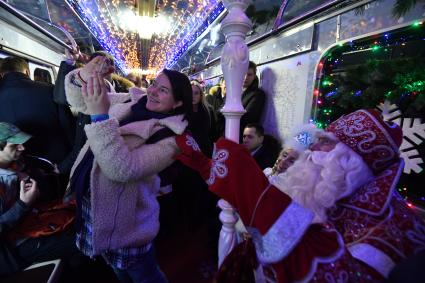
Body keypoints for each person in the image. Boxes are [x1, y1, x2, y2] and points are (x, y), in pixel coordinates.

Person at [174, 109, 425, 282]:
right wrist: (205, 164)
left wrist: (245, 181)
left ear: (352, 164)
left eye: (327, 143)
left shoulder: (390, 228)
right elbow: (305, 138)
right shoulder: (325, 183)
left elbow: (334, 272)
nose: (313, 149)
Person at [64, 55, 193, 283]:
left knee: (145, 276)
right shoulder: (130, 101)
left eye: (163, 90)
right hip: (96, 209)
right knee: (118, 272)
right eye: (154, 83)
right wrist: (86, 75)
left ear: (178, 103)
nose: (152, 91)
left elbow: (122, 169)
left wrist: (101, 117)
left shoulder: (172, 139)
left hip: (128, 224)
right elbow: (79, 101)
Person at [0, 122, 79, 275]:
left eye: (21, 143)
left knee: (80, 217)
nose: (22, 148)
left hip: (31, 221)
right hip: (12, 249)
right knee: (83, 240)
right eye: (14, 145)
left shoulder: (15, 164)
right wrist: (23, 204)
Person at [0, 56, 75, 175]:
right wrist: (68, 162)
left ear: (2, 74)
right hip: (55, 163)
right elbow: (69, 128)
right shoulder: (50, 90)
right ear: (27, 71)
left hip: (16, 167)